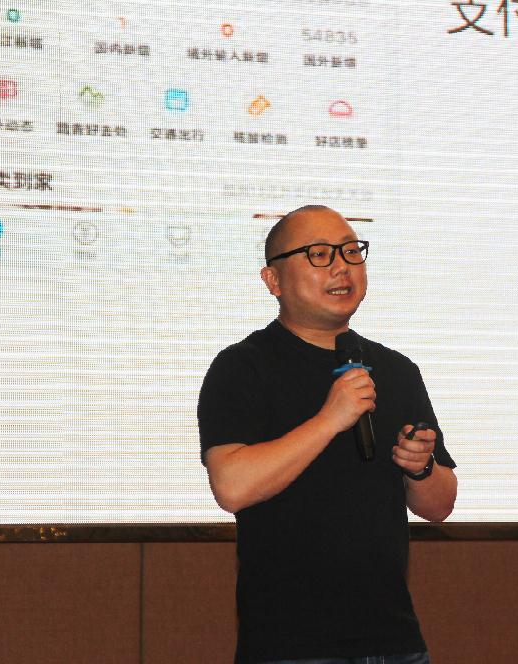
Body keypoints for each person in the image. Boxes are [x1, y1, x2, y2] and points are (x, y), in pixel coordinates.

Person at [197, 205, 458, 664]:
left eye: (352, 251)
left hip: (395, 641)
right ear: (273, 280)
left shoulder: (396, 370)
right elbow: (232, 486)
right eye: (319, 254)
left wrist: (420, 468)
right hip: (290, 647)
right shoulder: (243, 367)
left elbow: (439, 506)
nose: (342, 266)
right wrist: (329, 419)